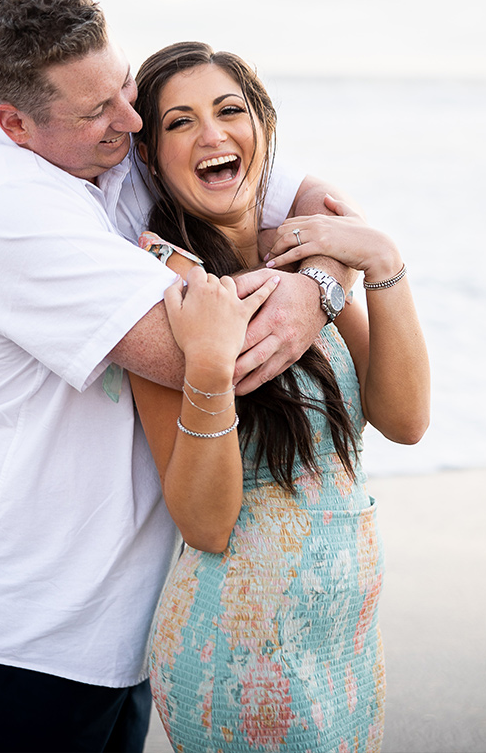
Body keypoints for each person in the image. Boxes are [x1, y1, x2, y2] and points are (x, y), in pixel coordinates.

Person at [0, 0, 360, 753]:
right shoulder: (13, 214)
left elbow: (308, 202)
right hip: (23, 631)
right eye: (98, 112)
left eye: (123, 87)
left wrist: (322, 272)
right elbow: (213, 353)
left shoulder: (107, 150)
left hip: (125, 621)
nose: (129, 119)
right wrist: (322, 287)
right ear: (14, 124)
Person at [128, 42, 430, 752]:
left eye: (229, 110)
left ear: (262, 126)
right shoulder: (166, 291)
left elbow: (404, 418)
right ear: (150, 157)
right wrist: (206, 363)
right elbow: (204, 524)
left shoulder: (304, 268)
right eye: (178, 122)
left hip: (347, 639)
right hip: (240, 646)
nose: (211, 134)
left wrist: (382, 261)